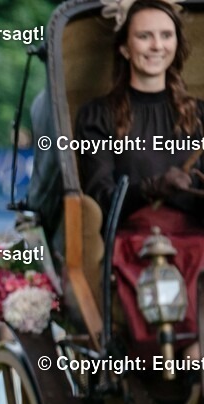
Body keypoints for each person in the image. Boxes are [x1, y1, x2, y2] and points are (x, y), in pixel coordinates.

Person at [75, 0, 204, 359]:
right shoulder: (98, 115)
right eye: (144, 36)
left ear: (176, 43)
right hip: (134, 238)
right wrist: (155, 186)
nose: (156, 45)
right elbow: (100, 195)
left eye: (165, 35)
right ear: (124, 47)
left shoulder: (199, 115)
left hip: (195, 230)